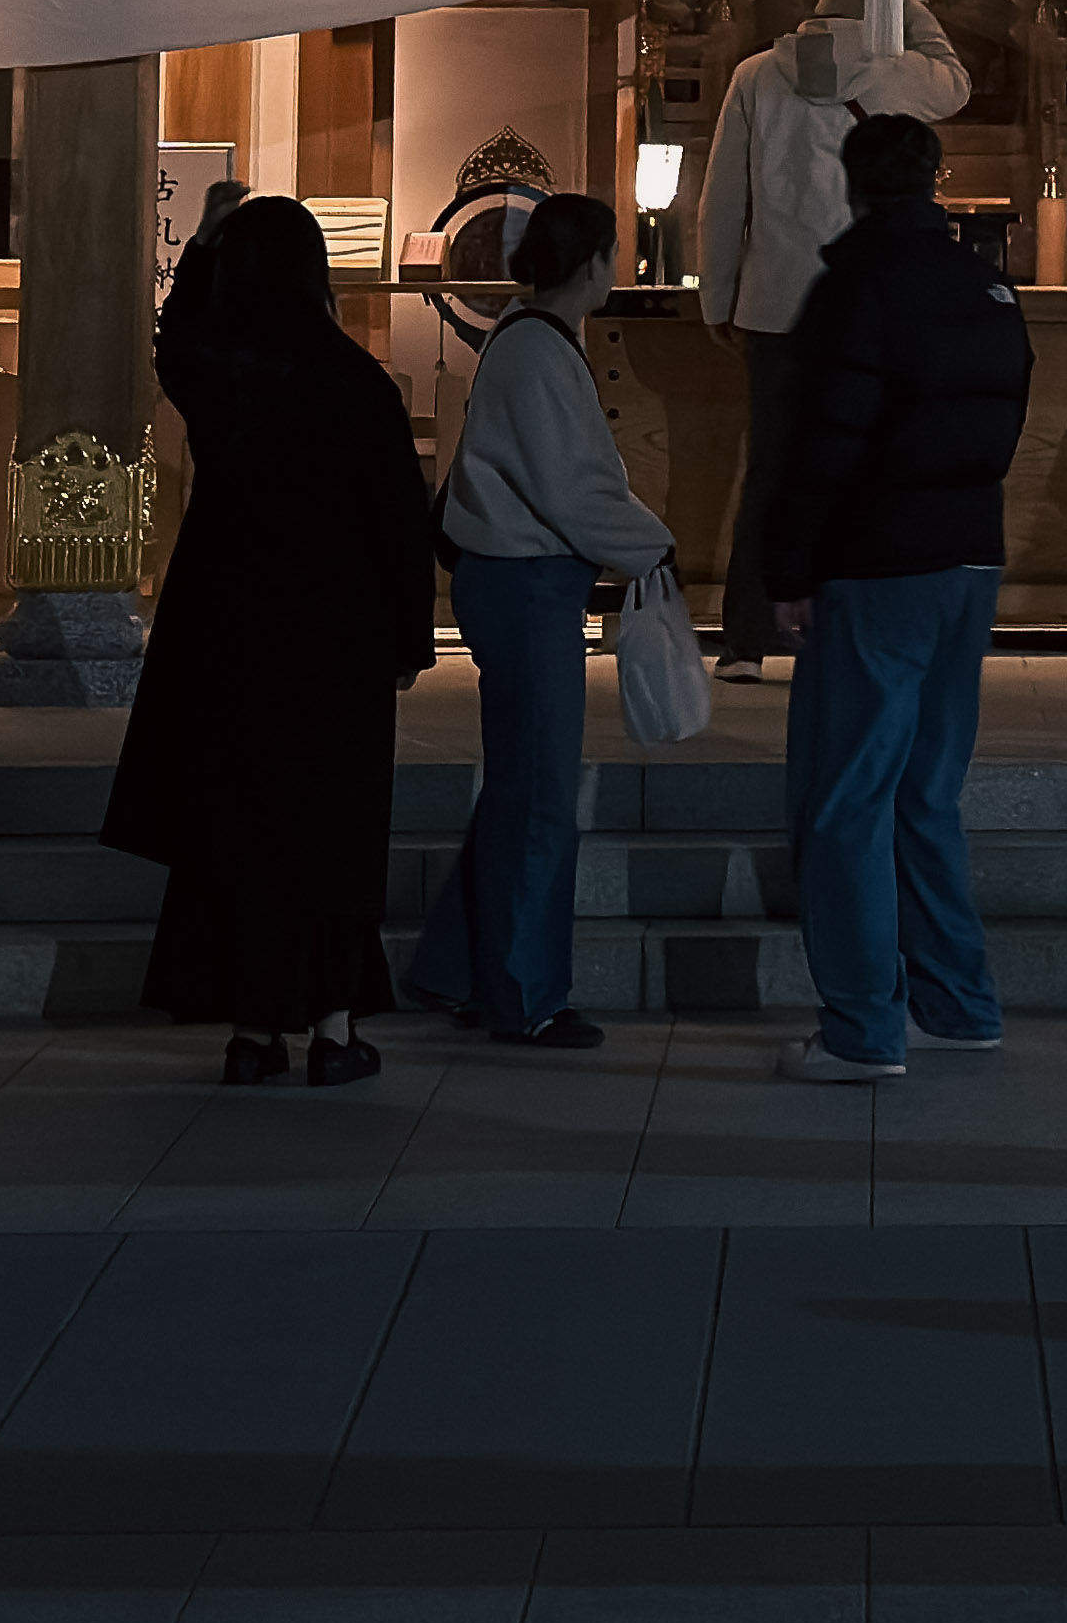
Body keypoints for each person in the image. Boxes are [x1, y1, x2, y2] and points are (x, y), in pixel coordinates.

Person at [99, 189, 428, 1086]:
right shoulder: (359, 383)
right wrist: (411, 636)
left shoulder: (223, 374)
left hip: (228, 627)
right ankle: (332, 1028)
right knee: (327, 833)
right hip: (337, 637)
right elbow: (399, 521)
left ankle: (251, 1034)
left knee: (239, 827)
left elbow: (173, 339)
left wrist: (200, 247)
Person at [762, 111, 1025, 1080]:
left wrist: (787, 569)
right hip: (971, 553)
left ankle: (863, 1025)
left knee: (844, 798)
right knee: (925, 793)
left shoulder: (855, 285)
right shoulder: (984, 282)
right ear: (933, 179)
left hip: (879, 560)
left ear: (853, 180)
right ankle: (958, 1002)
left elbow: (820, 441)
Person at [405, 187, 672, 1050]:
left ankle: (458, 967)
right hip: (525, 583)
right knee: (541, 794)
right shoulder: (538, 350)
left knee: (519, 787)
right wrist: (654, 547)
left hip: (517, 579)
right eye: (611, 251)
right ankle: (524, 994)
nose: (616, 266)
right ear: (588, 261)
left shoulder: (531, 341)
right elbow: (574, 487)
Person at [690, 0, 967, 677]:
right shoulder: (897, 72)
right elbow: (957, 80)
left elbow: (724, 197)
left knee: (772, 469)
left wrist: (718, 299)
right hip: (870, 302)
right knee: (866, 466)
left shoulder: (755, 74)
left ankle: (745, 642)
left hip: (774, 305)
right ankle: (844, 633)